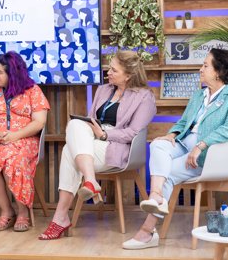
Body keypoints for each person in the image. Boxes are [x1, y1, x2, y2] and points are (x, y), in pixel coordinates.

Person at [123, 48, 228, 249]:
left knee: (168, 173)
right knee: (157, 144)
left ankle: (147, 232)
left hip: (209, 154)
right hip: (184, 144)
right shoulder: (199, 95)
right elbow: (183, 123)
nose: (200, 69)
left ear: (219, 71)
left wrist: (201, 145)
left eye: (205, 65)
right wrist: (172, 134)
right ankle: (156, 196)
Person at [39, 50, 155, 240]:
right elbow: (91, 119)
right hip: (91, 142)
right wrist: (91, 128)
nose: (108, 72)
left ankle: (62, 216)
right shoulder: (104, 90)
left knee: (69, 151)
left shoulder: (144, 97)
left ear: (128, 75)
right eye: (109, 68)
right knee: (76, 123)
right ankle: (91, 181)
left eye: (114, 70)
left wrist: (104, 134)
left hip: (117, 146)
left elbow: (134, 133)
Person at [0, 51, 50, 232]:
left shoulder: (32, 91)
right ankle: (6, 210)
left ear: (12, 73)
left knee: (15, 159)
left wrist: (15, 135)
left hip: (24, 138)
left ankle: (23, 212)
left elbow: (39, 121)